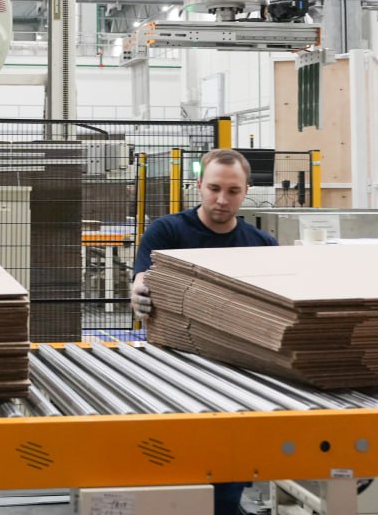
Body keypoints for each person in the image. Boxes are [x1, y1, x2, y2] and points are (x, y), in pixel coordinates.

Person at [130, 147, 277, 515]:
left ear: (246, 192)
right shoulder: (167, 232)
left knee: (227, 470)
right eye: (214, 188)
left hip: (238, 378)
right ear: (198, 186)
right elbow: (143, 278)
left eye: (233, 191)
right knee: (172, 466)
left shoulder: (261, 246)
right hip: (173, 370)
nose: (222, 199)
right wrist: (139, 289)